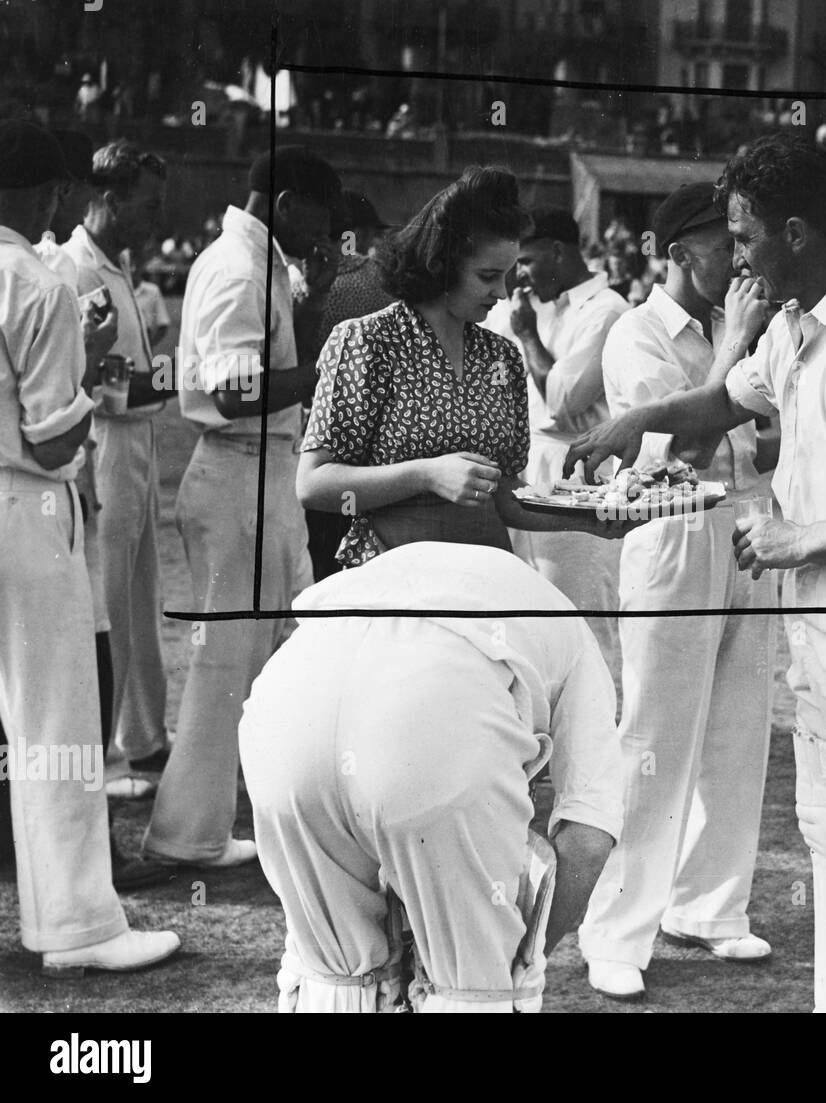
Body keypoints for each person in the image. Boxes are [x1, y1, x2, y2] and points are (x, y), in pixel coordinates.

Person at [565, 134, 826, 1013]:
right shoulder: (792, 328)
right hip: (824, 628)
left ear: (793, 231)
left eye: (744, 239)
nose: (737, 259)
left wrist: (793, 541)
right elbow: (723, 400)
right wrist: (634, 424)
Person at [239, 542, 624, 1012]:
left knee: (335, 979)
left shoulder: (396, 571)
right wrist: (515, 962)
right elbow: (588, 838)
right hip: (433, 724)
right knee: (471, 994)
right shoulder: (572, 637)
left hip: (287, 707)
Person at [579, 183, 777, 1000]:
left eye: (739, 239)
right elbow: (676, 444)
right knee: (655, 736)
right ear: (675, 253)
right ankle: (615, 930)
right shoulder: (637, 334)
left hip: (748, 530)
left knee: (739, 727)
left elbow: (761, 445)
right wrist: (736, 342)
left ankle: (710, 906)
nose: (736, 257)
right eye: (715, 241)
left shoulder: (751, 325)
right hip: (671, 535)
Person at [0, 119, 179, 975]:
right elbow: (51, 440)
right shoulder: (36, 282)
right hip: (26, 511)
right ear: (53, 195)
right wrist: (84, 373)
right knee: (57, 725)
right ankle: (77, 925)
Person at [141, 146, 342, 868]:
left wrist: (312, 306)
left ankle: (218, 823)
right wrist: (322, 373)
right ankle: (183, 835)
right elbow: (233, 393)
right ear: (286, 204)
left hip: (263, 474)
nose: (326, 232)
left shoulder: (258, 264)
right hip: (236, 475)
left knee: (269, 652)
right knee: (225, 659)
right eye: (319, 214)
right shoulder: (236, 268)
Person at [297, 169, 633, 568]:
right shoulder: (370, 341)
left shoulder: (501, 356)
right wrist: (426, 474)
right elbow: (314, 483)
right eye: (488, 276)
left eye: (507, 276)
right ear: (441, 263)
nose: (503, 293)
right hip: (399, 574)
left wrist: (587, 520)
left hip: (487, 575)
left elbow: (507, 497)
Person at [62, 141, 175, 777]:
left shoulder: (116, 264)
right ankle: (100, 752)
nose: (155, 218)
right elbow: (108, 387)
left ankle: (143, 736)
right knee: (109, 601)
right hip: (105, 444)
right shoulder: (79, 270)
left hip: (139, 442)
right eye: (147, 205)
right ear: (108, 200)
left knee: (140, 593)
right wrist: (187, 376)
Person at [503, 208, 631, 675]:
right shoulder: (532, 304)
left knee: (579, 612)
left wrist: (526, 335)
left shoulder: (608, 310)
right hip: (527, 467)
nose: (520, 275)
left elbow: (562, 400)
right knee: (527, 610)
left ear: (559, 252)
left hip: (579, 469)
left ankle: (592, 733)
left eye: (528, 262)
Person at [301, 189, 395, 582]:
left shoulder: (300, 278)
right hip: (370, 440)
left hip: (308, 431)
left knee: (317, 556)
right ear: (354, 233)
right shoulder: (381, 279)